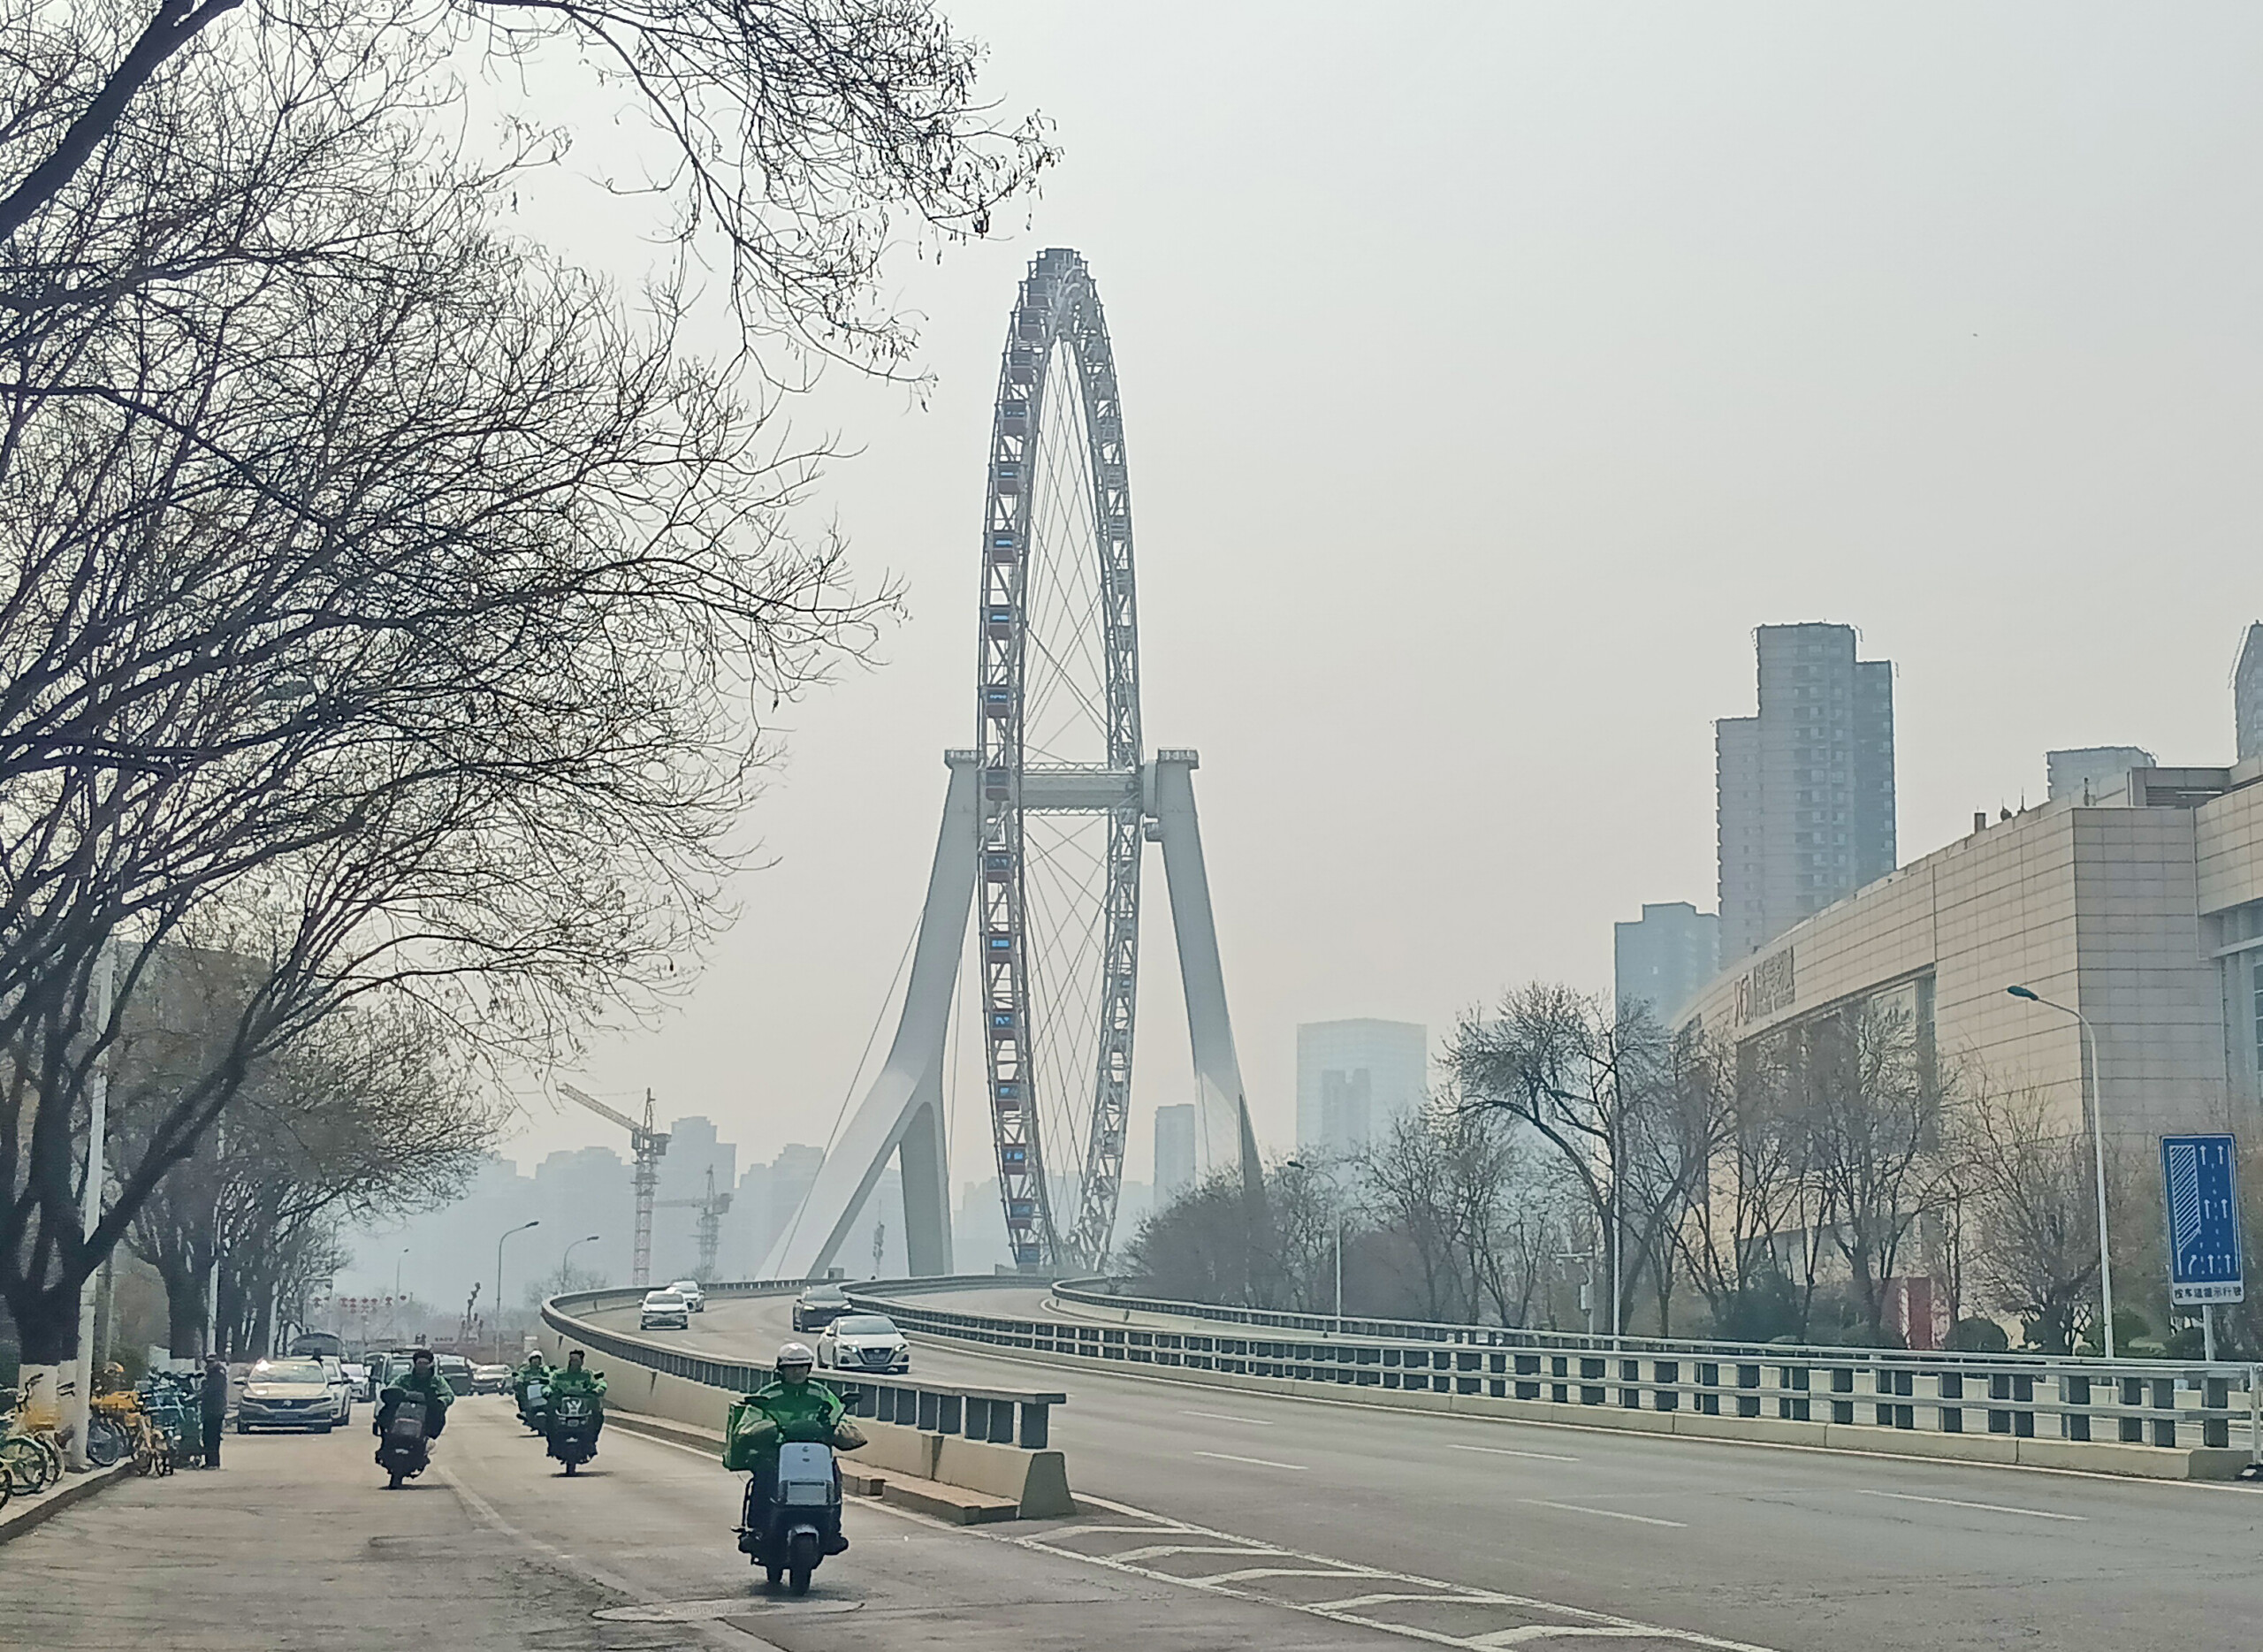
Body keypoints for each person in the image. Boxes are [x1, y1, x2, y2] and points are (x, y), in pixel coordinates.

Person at [734, 1341, 852, 1555]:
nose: (797, 1371)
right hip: (776, 1456)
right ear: (781, 1370)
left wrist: (840, 1430)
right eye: (791, 1367)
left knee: (834, 1477)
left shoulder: (822, 1395)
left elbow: (838, 1418)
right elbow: (747, 1424)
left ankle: (834, 1531)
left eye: (802, 1366)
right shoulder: (768, 1396)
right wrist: (762, 1430)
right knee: (764, 1475)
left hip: (814, 1456)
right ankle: (756, 1531)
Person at [374, 1348, 453, 1444]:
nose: (422, 1366)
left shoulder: (437, 1381)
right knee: (386, 1412)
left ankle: (427, 1441)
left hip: (426, 1414)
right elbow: (392, 1388)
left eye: (425, 1363)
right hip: (403, 1412)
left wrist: (441, 1401)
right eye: (420, 1363)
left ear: (431, 1364)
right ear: (415, 1364)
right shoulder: (404, 1378)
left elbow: (448, 1394)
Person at [547, 1349, 606, 1448]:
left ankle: (591, 1442)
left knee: (598, 1415)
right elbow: (551, 1384)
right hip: (562, 1404)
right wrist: (548, 1391)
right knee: (549, 1414)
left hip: (583, 1405)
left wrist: (598, 1390)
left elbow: (599, 1383)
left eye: (576, 1360)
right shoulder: (560, 1375)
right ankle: (552, 1443)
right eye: (572, 1359)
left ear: (582, 1362)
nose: (573, 1362)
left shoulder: (587, 1375)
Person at [199, 1354, 229, 1469]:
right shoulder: (213, 1373)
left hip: (215, 1410)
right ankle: (210, 1461)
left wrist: (200, 1395)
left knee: (212, 1436)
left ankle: (213, 1462)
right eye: (208, 1362)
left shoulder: (218, 1374)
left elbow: (212, 1391)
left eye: (211, 1362)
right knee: (208, 1436)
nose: (209, 1365)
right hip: (210, 1409)